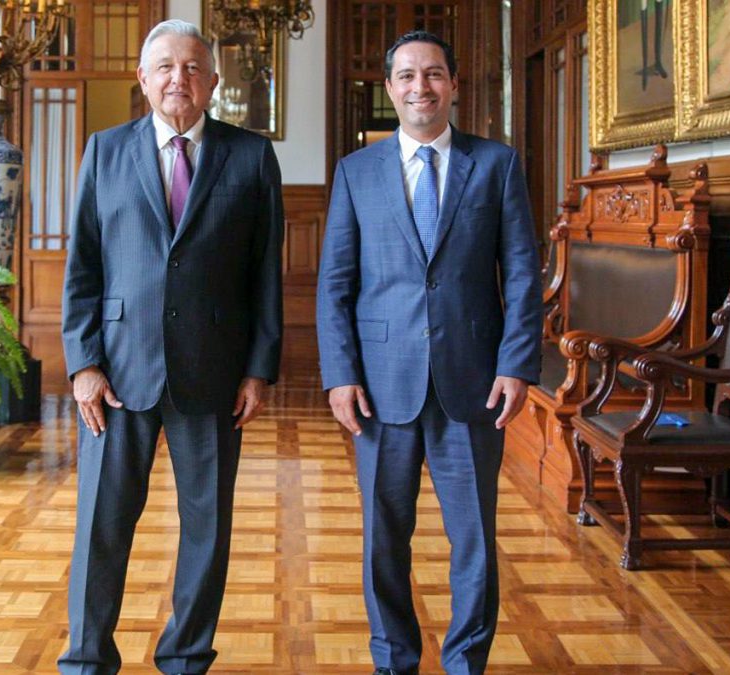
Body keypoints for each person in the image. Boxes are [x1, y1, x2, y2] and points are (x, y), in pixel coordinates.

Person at [58, 19, 284, 675]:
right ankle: (86, 656)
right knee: (102, 524)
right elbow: (84, 268)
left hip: (213, 370)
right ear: (143, 78)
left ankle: (185, 654)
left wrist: (259, 368)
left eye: (191, 67)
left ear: (213, 80)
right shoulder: (104, 151)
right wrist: (82, 364)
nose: (177, 79)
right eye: (164, 66)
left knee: (207, 527)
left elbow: (264, 272)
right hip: (117, 373)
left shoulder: (250, 156)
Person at [316, 31, 542, 675]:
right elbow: (336, 284)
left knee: (473, 539)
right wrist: (340, 377)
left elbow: (522, 272)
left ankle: (466, 660)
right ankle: (395, 659)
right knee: (384, 539)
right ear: (390, 89)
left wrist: (516, 363)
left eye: (435, 74)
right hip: (380, 388)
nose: (422, 87)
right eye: (408, 76)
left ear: (454, 85)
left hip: (473, 383)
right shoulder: (356, 172)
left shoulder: (495, 164)